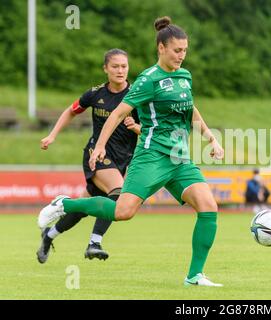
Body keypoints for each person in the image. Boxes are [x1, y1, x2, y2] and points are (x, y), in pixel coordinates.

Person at [38, 16, 224, 287]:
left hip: (179, 159)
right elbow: (117, 114)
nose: (182, 56)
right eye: (177, 50)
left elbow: (190, 109)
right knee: (123, 211)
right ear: (161, 48)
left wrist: (211, 138)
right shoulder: (148, 80)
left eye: (185, 50)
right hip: (151, 156)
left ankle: (194, 276)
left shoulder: (185, 77)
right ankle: (64, 204)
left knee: (208, 207)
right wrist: (99, 146)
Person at [37, 48, 141, 264]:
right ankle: (94, 242)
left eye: (124, 66)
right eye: (115, 66)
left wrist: (136, 127)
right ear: (106, 69)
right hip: (97, 154)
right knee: (118, 194)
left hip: (122, 160)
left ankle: (49, 236)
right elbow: (71, 111)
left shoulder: (137, 96)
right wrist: (52, 135)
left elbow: (149, 129)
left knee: (84, 207)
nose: (120, 70)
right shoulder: (95, 94)